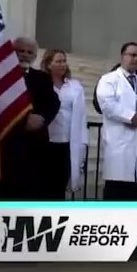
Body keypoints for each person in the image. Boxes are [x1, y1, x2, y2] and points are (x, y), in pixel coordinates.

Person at [0, 37, 61, 201]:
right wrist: (22, 120)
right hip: (5, 143)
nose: (24, 55)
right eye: (20, 51)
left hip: (34, 146)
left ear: (35, 56)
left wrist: (42, 118)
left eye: (29, 52)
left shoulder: (42, 78)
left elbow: (53, 103)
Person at [95, 42, 137, 200]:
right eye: (132, 55)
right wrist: (130, 116)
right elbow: (107, 104)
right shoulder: (108, 79)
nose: (136, 59)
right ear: (122, 56)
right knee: (116, 191)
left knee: (133, 193)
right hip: (118, 145)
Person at [39, 49, 88, 199]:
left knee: (59, 185)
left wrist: (83, 143)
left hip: (66, 142)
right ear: (48, 64)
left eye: (64, 61)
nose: (62, 65)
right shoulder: (41, 83)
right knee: (43, 184)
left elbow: (81, 116)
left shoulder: (74, 86)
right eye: (58, 61)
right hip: (45, 141)